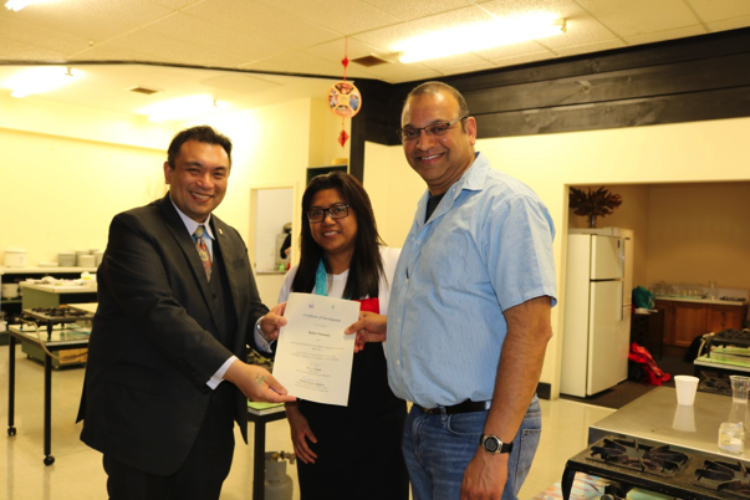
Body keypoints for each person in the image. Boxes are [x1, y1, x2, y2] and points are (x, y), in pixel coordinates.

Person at [347, 82, 557, 500]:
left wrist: (494, 449)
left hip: (476, 427)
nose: (423, 143)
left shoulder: (505, 205)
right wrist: (390, 327)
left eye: (438, 128)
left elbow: (532, 331)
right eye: (411, 132)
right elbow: (453, 305)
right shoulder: (432, 205)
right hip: (424, 423)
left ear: (470, 129)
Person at [77, 125, 295, 500]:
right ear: (169, 171)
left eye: (218, 173)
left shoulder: (230, 239)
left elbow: (247, 308)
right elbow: (160, 315)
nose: (206, 183)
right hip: (144, 422)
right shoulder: (135, 229)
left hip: (212, 424)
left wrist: (263, 327)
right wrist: (238, 371)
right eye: (194, 169)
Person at [253, 171, 409, 500]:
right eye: (316, 212)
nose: (327, 220)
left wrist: (385, 323)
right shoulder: (299, 277)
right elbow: (287, 358)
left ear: (360, 212)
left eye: (338, 209)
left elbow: (421, 330)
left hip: (380, 423)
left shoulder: (393, 264)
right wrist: (294, 417)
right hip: (316, 427)